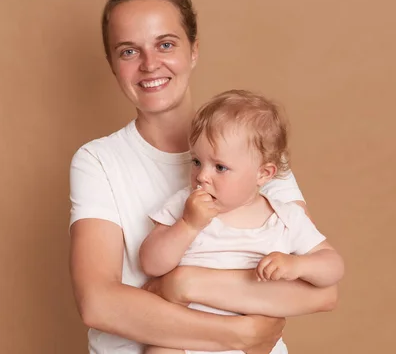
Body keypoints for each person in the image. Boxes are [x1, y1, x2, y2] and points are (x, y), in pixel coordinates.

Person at [69, 0, 340, 353]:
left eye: (165, 44)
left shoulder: (253, 148)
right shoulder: (98, 161)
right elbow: (98, 304)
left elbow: (319, 293)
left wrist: (184, 285)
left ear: (194, 50)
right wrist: (240, 332)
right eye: (128, 51)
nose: (149, 65)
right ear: (112, 64)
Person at [139, 90, 344, 354]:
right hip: (186, 339)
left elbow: (333, 267)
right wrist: (188, 226)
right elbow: (151, 263)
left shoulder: (285, 218)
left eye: (220, 167)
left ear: (263, 173)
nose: (202, 176)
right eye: (197, 162)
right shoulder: (185, 206)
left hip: (253, 343)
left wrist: (299, 264)